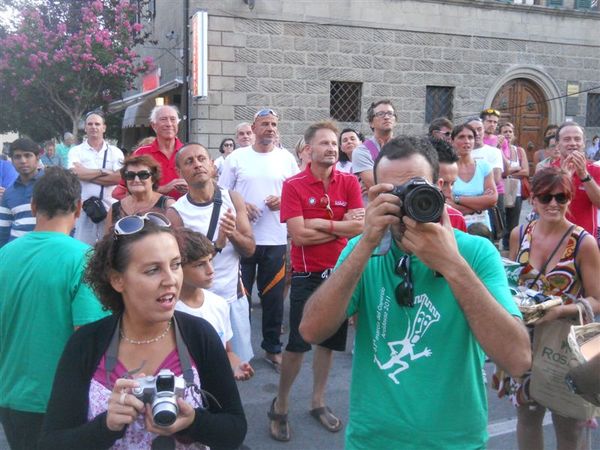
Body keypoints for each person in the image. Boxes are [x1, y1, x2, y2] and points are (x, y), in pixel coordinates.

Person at [299, 135, 531, 450]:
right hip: (373, 440)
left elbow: (517, 359)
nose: (406, 202)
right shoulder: (362, 251)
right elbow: (312, 330)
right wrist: (367, 242)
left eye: (415, 188)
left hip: (455, 441)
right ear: (373, 195)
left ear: (438, 187)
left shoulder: (476, 253)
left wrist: (452, 265)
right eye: (393, 194)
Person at [39, 213, 247, 449]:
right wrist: (106, 426)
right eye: (152, 270)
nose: (171, 280)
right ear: (118, 280)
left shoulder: (199, 335)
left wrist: (193, 422)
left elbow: (235, 430)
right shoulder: (87, 343)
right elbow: (51, 442)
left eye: (175, 265)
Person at [269, 121, 364, 442]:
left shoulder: (349, 182)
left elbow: (359, 229)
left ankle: (317, 402)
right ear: (308, 149)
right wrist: (339, 223)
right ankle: (280, 405)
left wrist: (321, 224)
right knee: (297, 345)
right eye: (324, 143)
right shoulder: (293, 185)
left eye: (334, 144)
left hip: (339, 275)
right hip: (307, 277)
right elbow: (298, 235)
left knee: (329, 344)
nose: (332, 148)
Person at [0, 167, 108, 449]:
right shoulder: (84, 259)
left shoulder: (4, 255)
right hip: (62, 401)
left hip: (10, 395)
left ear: (34, 206)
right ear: (78, 208)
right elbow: (89, 337)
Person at [508, 167, 600, 450]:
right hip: (526, 340)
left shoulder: (583, 243)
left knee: (568, 426)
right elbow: (511, 285)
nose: (553, 204)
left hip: (566, 344)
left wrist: (559, 311)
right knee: (527, 416)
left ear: (570, 200)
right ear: (532, 199)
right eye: (545, 197)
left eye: (561, 198)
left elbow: (597, 299)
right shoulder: (519, 234)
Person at [219, 108, 299, 369]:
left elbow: (296, 193)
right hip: (242, 240)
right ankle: (238, 352)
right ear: (253, 129)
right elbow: (222, 192)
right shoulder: (237, 158)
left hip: (275, 239)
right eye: (264, 123)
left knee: (273, 299)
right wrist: (242, 205)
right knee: (239, 300)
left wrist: (283, 201)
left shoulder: (286, 158)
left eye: (274, 124)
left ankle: (273, 347)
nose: (270, 128)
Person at [168, 143, 256, 364]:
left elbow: (249, 249)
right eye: (189, 162)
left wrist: (232, 233)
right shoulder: (176, 212)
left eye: (201, 158)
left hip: (232, 299)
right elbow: (181, 264)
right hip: (194, 306)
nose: (197, 164)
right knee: (199, 369)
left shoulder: (233, 199)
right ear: (180, 172)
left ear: (212, 164)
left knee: (237, 367)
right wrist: (217, 244)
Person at [176, 228, 254, 381]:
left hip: (217, 389)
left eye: (210, 260)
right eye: (199, 265)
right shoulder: (168, 312)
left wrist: (236, 364)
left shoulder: (218, 304)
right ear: (177, 267)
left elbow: (226, 351)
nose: (210, 270)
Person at [69, 112, 123, 245]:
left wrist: (85, 174)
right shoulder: (76, 151)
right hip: (84, 210)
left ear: (104, 127)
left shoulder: (115, 152)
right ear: (85, 128)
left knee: (109, 248)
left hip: (110, 209)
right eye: (90, 124)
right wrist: (103, 171)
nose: (94, 127)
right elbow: (74, 173)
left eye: (97, 124)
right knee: (83, 250)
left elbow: (119, 178)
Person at [113, 105, 187, 200]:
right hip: (151, 213)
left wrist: (192, 189)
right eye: (163, 119)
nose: (169, 124)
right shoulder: (142, 153)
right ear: (153, 125)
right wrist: (162, 190)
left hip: (184, 213)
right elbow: (119, 193)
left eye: (173, 119)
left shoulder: (189, 153)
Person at [551, 122, 600, 240]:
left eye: (577, 139)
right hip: (553, 236)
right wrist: (563, 178)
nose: (573, 143)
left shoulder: (595, 170)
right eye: (567, 139)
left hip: (584, 239)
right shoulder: (548, 170)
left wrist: (584, 175)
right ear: (558, 145)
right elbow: (539, 205)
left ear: (583, 143)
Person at [447, 123, 497, 231]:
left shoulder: (484, 166)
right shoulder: (447, 168)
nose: (467, 141)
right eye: (461, 137)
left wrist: (456, 198)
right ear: (452, 141)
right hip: (455, 227)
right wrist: (479, 205)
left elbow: (492, 199)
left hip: (482, 229)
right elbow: (446, 203)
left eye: (470, 137)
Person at [105, 154, 175, 231]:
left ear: (153, 178)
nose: (136, 180)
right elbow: (107, 240)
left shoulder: (168, 205)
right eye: (130, 175)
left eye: (143, 175)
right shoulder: (115, 209)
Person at [0, 138, 43, 247]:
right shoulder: (9, 193)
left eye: (28, 155)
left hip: (46, 251)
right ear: (12, 161)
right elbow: (3, 232)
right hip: (16, 254)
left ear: (37, 157)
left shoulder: (52, 185)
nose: (23, 161)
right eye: (17, 157)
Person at [467, 116, 505, 237]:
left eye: (479, 129)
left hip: (486, 206)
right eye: (473, 130)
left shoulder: (494, 152)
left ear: (484, 131)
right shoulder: (460, 152)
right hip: (464, 208)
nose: (477, 133)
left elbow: (496, 178)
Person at [352, 100, 397, 199]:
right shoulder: (362, 151)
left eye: (390, 113)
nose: (386, 117)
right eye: (380, 114)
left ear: (395, 121)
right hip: (376, 209)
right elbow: (377, 186)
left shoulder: (405, 147)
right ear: (371, 123)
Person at [500, 122, 529, 251]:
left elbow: (526, 172)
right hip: (500, 192)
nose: (507, 134)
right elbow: (498, 172)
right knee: (500, 223)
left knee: (513, 224)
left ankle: (510, 251)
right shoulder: (496, 150)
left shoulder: (519, 151)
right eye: (504, 131)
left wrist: (508, 172)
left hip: (515, 193)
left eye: (510, 131)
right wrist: (515, 169)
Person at [429, 137, 467, 232]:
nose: (448, 193)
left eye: (452, 184)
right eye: (441, 183)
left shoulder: (455, 218)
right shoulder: (394, 219)